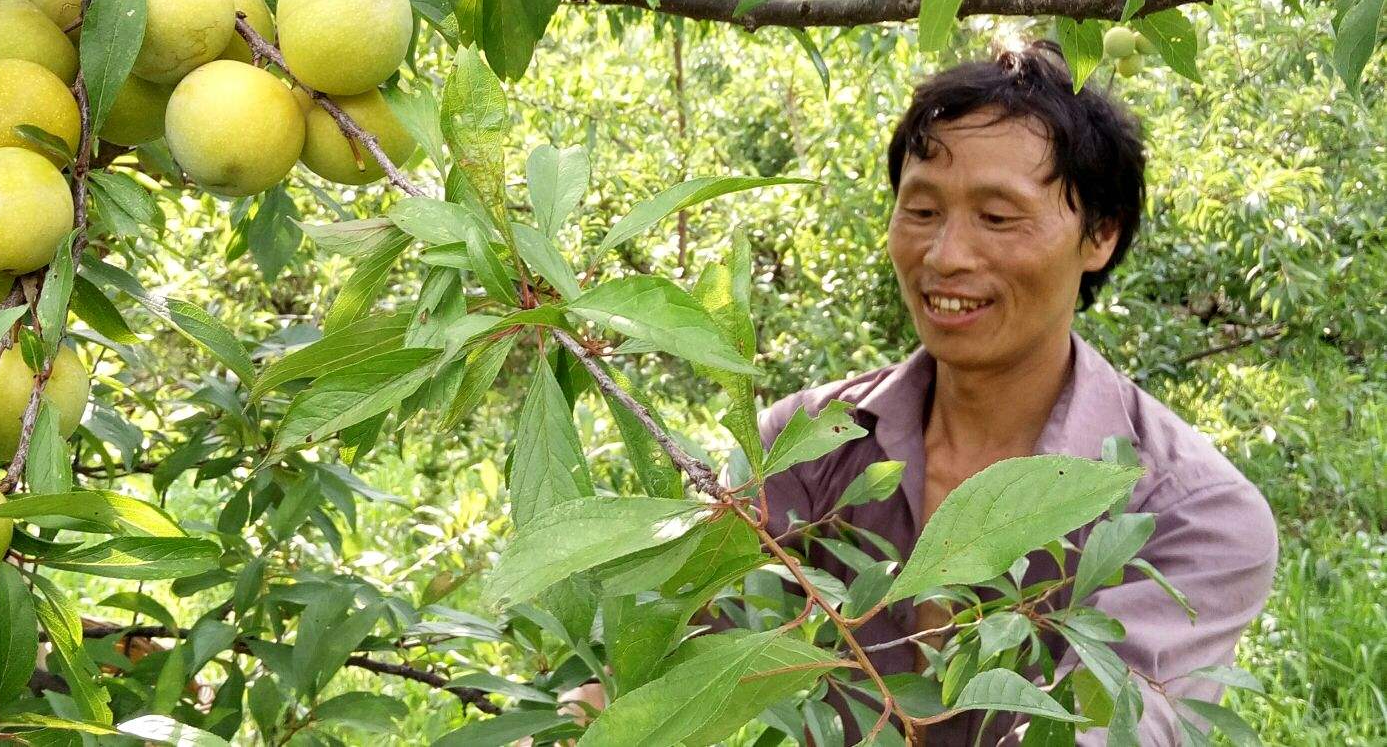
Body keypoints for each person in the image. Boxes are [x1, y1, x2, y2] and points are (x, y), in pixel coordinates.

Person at [541, 40, 1278, 745]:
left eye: (997, 217)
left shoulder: (1191, 514)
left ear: (1100, 236)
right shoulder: (802, 446)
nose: (945, 255)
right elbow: (658, 658)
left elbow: (1104, 728)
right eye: (921, 212)